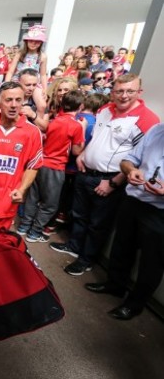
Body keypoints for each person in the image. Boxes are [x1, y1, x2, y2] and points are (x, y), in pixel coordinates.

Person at [50, 74, 160, 276]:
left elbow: (139, 159)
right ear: (112, 92)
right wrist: (83, 153)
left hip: (108, 179)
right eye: (119, 91)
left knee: (98, 224)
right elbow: (97, 138)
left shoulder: (147, 120)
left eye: (130, 91)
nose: (124, 96)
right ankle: (74, 247)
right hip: (86, 173)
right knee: (79, 215)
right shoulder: (104, 109)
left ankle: (86, 260)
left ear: (139, 92)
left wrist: (114, 183)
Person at [84, 123, 164, 320]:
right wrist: (130, 171)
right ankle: (115, 285)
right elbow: (129, 160)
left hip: (160, 211)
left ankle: (134, 305)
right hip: (134, 199)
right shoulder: (157, 130)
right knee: (122, 247)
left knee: (152, 262)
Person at [0, 82, 43, 231]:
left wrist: (22, 189)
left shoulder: (32, 132)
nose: (13, 105)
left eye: (18, 100)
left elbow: (33, 165)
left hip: (7, 199)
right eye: (8, 100)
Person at [17, 90, 85, 242]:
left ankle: (24, 226)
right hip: (55, 167)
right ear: (80, 106)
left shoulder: (54, 121)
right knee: (50, 204)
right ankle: (35, 232)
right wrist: (84, 131)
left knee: (33, 198)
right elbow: (76, 150)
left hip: (40, 163)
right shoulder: (76, 126)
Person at [6, 25, 48, 91]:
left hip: (33, 83)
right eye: (30, 41)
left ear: (41, 43)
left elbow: (43, 75)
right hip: (18, 81)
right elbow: (10, 71)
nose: (33, 43)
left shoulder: (43, 56)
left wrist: (45, 90)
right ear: (26, 41)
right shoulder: (19, 54)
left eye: (37, 42)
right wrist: (6, 84)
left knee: (39, 96)